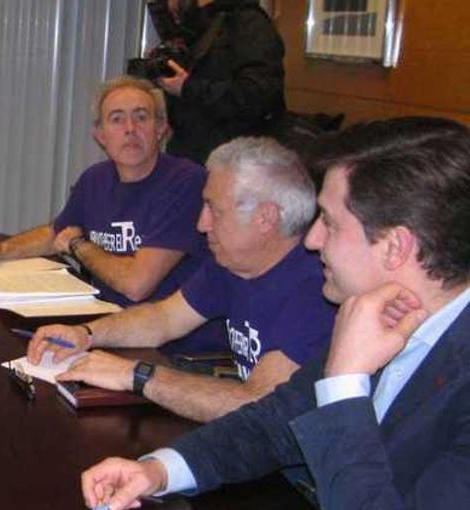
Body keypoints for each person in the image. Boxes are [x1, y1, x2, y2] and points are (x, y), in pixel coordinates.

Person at [78, 118, 470, 510]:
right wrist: (157, 471)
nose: (310, 239)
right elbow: (273, 423)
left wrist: (346, 382)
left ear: (396, 248)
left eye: (329, 223)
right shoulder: (385, 314)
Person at [27, 136, 335, 423]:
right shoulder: (233, 263)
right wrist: (86, 334)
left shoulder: (315, 291)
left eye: (214, 209)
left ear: (265, 218)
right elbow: (163, 319)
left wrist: (138, 376)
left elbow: (260, 406)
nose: (202, 224)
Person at [0, 77, 211, 317]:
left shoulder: (186, 182)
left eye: (141, 117)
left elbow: (136, 284)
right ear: (100, 135)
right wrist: (0, 250)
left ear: (160, 129)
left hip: (171, 346)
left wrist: (78, 246)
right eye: (116, 119)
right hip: (107, 321)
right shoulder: (95, 179)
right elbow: (56, 234)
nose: (130, 129)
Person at [151, 0, 285, 164]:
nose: (168, 5)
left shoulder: (247, 24)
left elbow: (258, 96)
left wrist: (188, 87)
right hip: (192, 161)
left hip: (235, 167)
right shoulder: (192, 32)